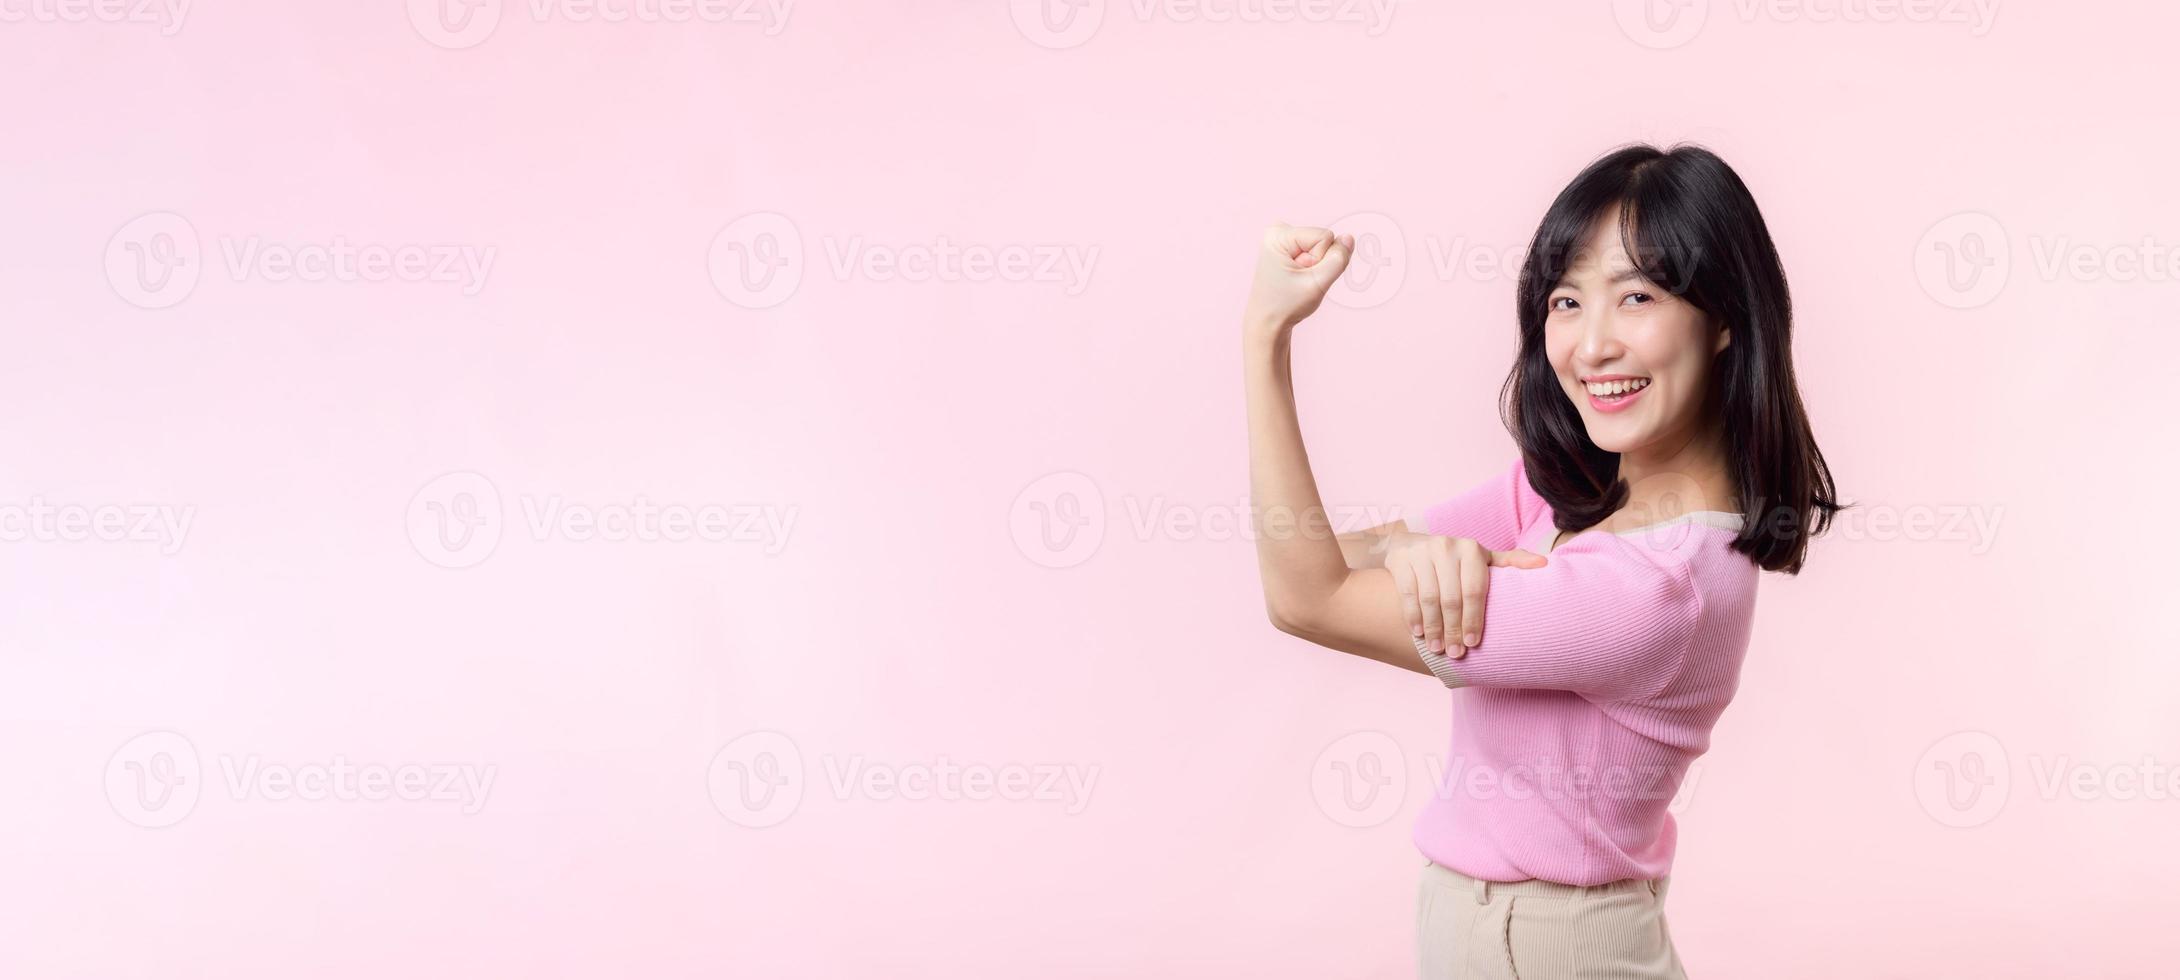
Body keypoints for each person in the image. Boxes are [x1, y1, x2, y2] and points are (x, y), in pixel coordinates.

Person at [1240, 143, 1841, 978]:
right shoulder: (1566, 496)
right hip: (1505, 935)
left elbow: (1307, 596)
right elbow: (1326, 558)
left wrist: (1265, 335)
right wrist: (1419, 551)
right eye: (1567, 299)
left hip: (1546, 949)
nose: (1591, 345)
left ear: (1725, 316)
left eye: (1638, 296)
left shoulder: (1659, 587)